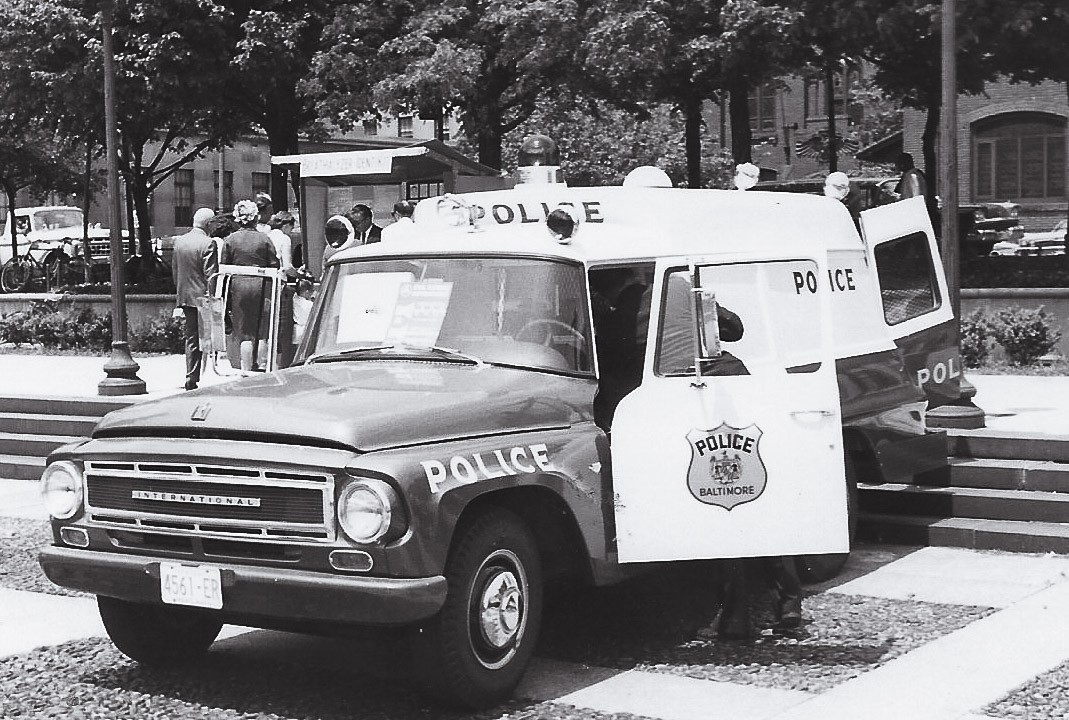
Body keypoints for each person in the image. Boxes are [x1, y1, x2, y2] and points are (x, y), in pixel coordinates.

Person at [221, 199, 279, 374]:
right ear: (255, 218)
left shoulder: (230, 240)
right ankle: (260, 366)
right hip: (263, 285)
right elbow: (274, 264)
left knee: (244, 332)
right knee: (262, 331)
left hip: (238, 286)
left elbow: (223, 268)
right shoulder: (265, 239)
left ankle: (246, 370)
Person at [171, 207, 218, 391]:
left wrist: (179, 294)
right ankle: (199, 373)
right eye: (213, 223)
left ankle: (191, 375)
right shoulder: (208, 243)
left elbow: (175, 271)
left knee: (191, 338)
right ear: (208, 224)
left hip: (185, 295)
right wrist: (214, 298)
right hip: (203, 297)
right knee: (205, 337)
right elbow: (211, 275)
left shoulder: (180, 242)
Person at [266, 211, 297, 277]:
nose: (291, 231)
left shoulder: (267, 235)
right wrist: (300, 275)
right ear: (287, 225)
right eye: (291, 228)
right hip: (278, 277)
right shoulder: (285, 238)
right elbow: (287, 267)